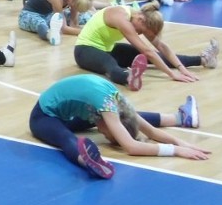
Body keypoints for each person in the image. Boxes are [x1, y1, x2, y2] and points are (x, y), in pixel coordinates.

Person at [29, 74, 209, 179]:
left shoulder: (119, 104)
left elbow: (151, 132)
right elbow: (131, 147)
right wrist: (175, 150)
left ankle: (180, 118)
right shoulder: (107, 107)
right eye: (110, 136)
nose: (101, 133)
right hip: (44, 115)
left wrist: (181, 142)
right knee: (65, 137)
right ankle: (87, 161)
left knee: (133, 116)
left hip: (72, 113)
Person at [74, 2, 218, 91]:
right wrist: (172, 74)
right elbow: (147, 51)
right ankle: (129, 78)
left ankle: (204, 59)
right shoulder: (121, 18)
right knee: (109, 64)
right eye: (141, 31)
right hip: (85, 50)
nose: (139, 33)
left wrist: (181, 68)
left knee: (156, 55)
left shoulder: (140, 19)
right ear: (141, 20)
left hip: (108, 48)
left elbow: (161, 46)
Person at [18, 0, 94, 45]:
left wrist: (76, 27)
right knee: (41, 24)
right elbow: (63, 29)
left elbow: (73, 22)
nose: (75, 9)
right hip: (29, 14)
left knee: (84, 16)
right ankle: (49, 35)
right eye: (76, 7)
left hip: (49, 14)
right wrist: (86, 32)